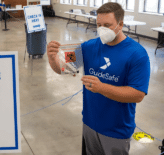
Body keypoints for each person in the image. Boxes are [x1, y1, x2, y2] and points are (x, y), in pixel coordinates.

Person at [47, 2, 150, 155]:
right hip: (89, 124)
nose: (102, 29)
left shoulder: (137, 54)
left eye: (107, 25)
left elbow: (138, 94)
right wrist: (52, 58)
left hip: (116, 131)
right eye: (99, 24)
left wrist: (102, 88)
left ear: (120, 24)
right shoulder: (88, 47)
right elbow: (63, 68)